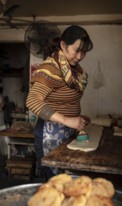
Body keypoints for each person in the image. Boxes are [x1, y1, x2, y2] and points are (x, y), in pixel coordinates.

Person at [26, 25, 93, 179]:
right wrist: (67, 120)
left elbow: (64, 101)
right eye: (77, 50)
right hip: (49, 134)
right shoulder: (50, 68)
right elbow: (32, 101)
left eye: (84, 52)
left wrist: (77, 117)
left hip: (66, 132)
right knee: (55, 183)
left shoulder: (74, 71)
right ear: (63, 45)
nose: (80, 56)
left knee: (66, 182)